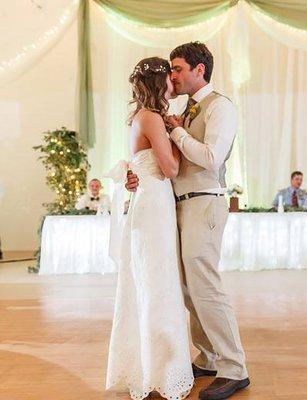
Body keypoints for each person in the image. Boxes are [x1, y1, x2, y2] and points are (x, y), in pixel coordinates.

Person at [126, 43, 250, 400]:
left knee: (206, 286)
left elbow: (211, 158)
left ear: (199, 70)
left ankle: (234, 367)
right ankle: (209, 356)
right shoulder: (181, 109)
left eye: (178, 69)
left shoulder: (221, 107)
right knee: (186, 288)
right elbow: (158, 159)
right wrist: (137, 175)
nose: (173, 76)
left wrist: (178, 132)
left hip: (205, 202)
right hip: (176, 205)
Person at [105, 57, 193, 400]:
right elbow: (170, 168)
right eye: (170, 77)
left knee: (150, 281)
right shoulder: (154, 118)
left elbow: (142, 162)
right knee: (158, 283)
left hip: (149, 201)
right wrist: (177, 132)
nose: (174, 81)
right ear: (161, 84)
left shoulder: (139, 117)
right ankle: (161, 369)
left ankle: (151, 364)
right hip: (155, 203)